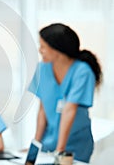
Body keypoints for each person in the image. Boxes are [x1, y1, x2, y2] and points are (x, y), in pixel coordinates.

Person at [29, 23, 102, 163]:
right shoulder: (42, 69)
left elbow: (69, 110)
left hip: (75, 147)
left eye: (43, 47)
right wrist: (35, 147)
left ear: (57, 49)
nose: (40, 50)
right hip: (48, 145)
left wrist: (60, 151)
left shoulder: (82, 72)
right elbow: (42, 110)